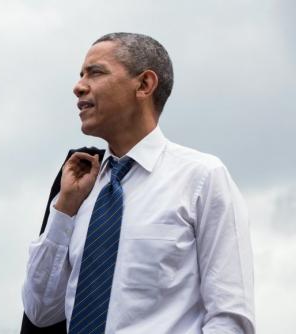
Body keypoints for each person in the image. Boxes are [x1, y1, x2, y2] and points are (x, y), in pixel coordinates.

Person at [22, 32, 255, 333]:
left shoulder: (202, 177)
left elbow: (230, 317)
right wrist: (64, 210)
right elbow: (40, 312)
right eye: (80, 75)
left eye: (95, 73)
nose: (78, 87)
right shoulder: (80, 187)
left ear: (144, 84)